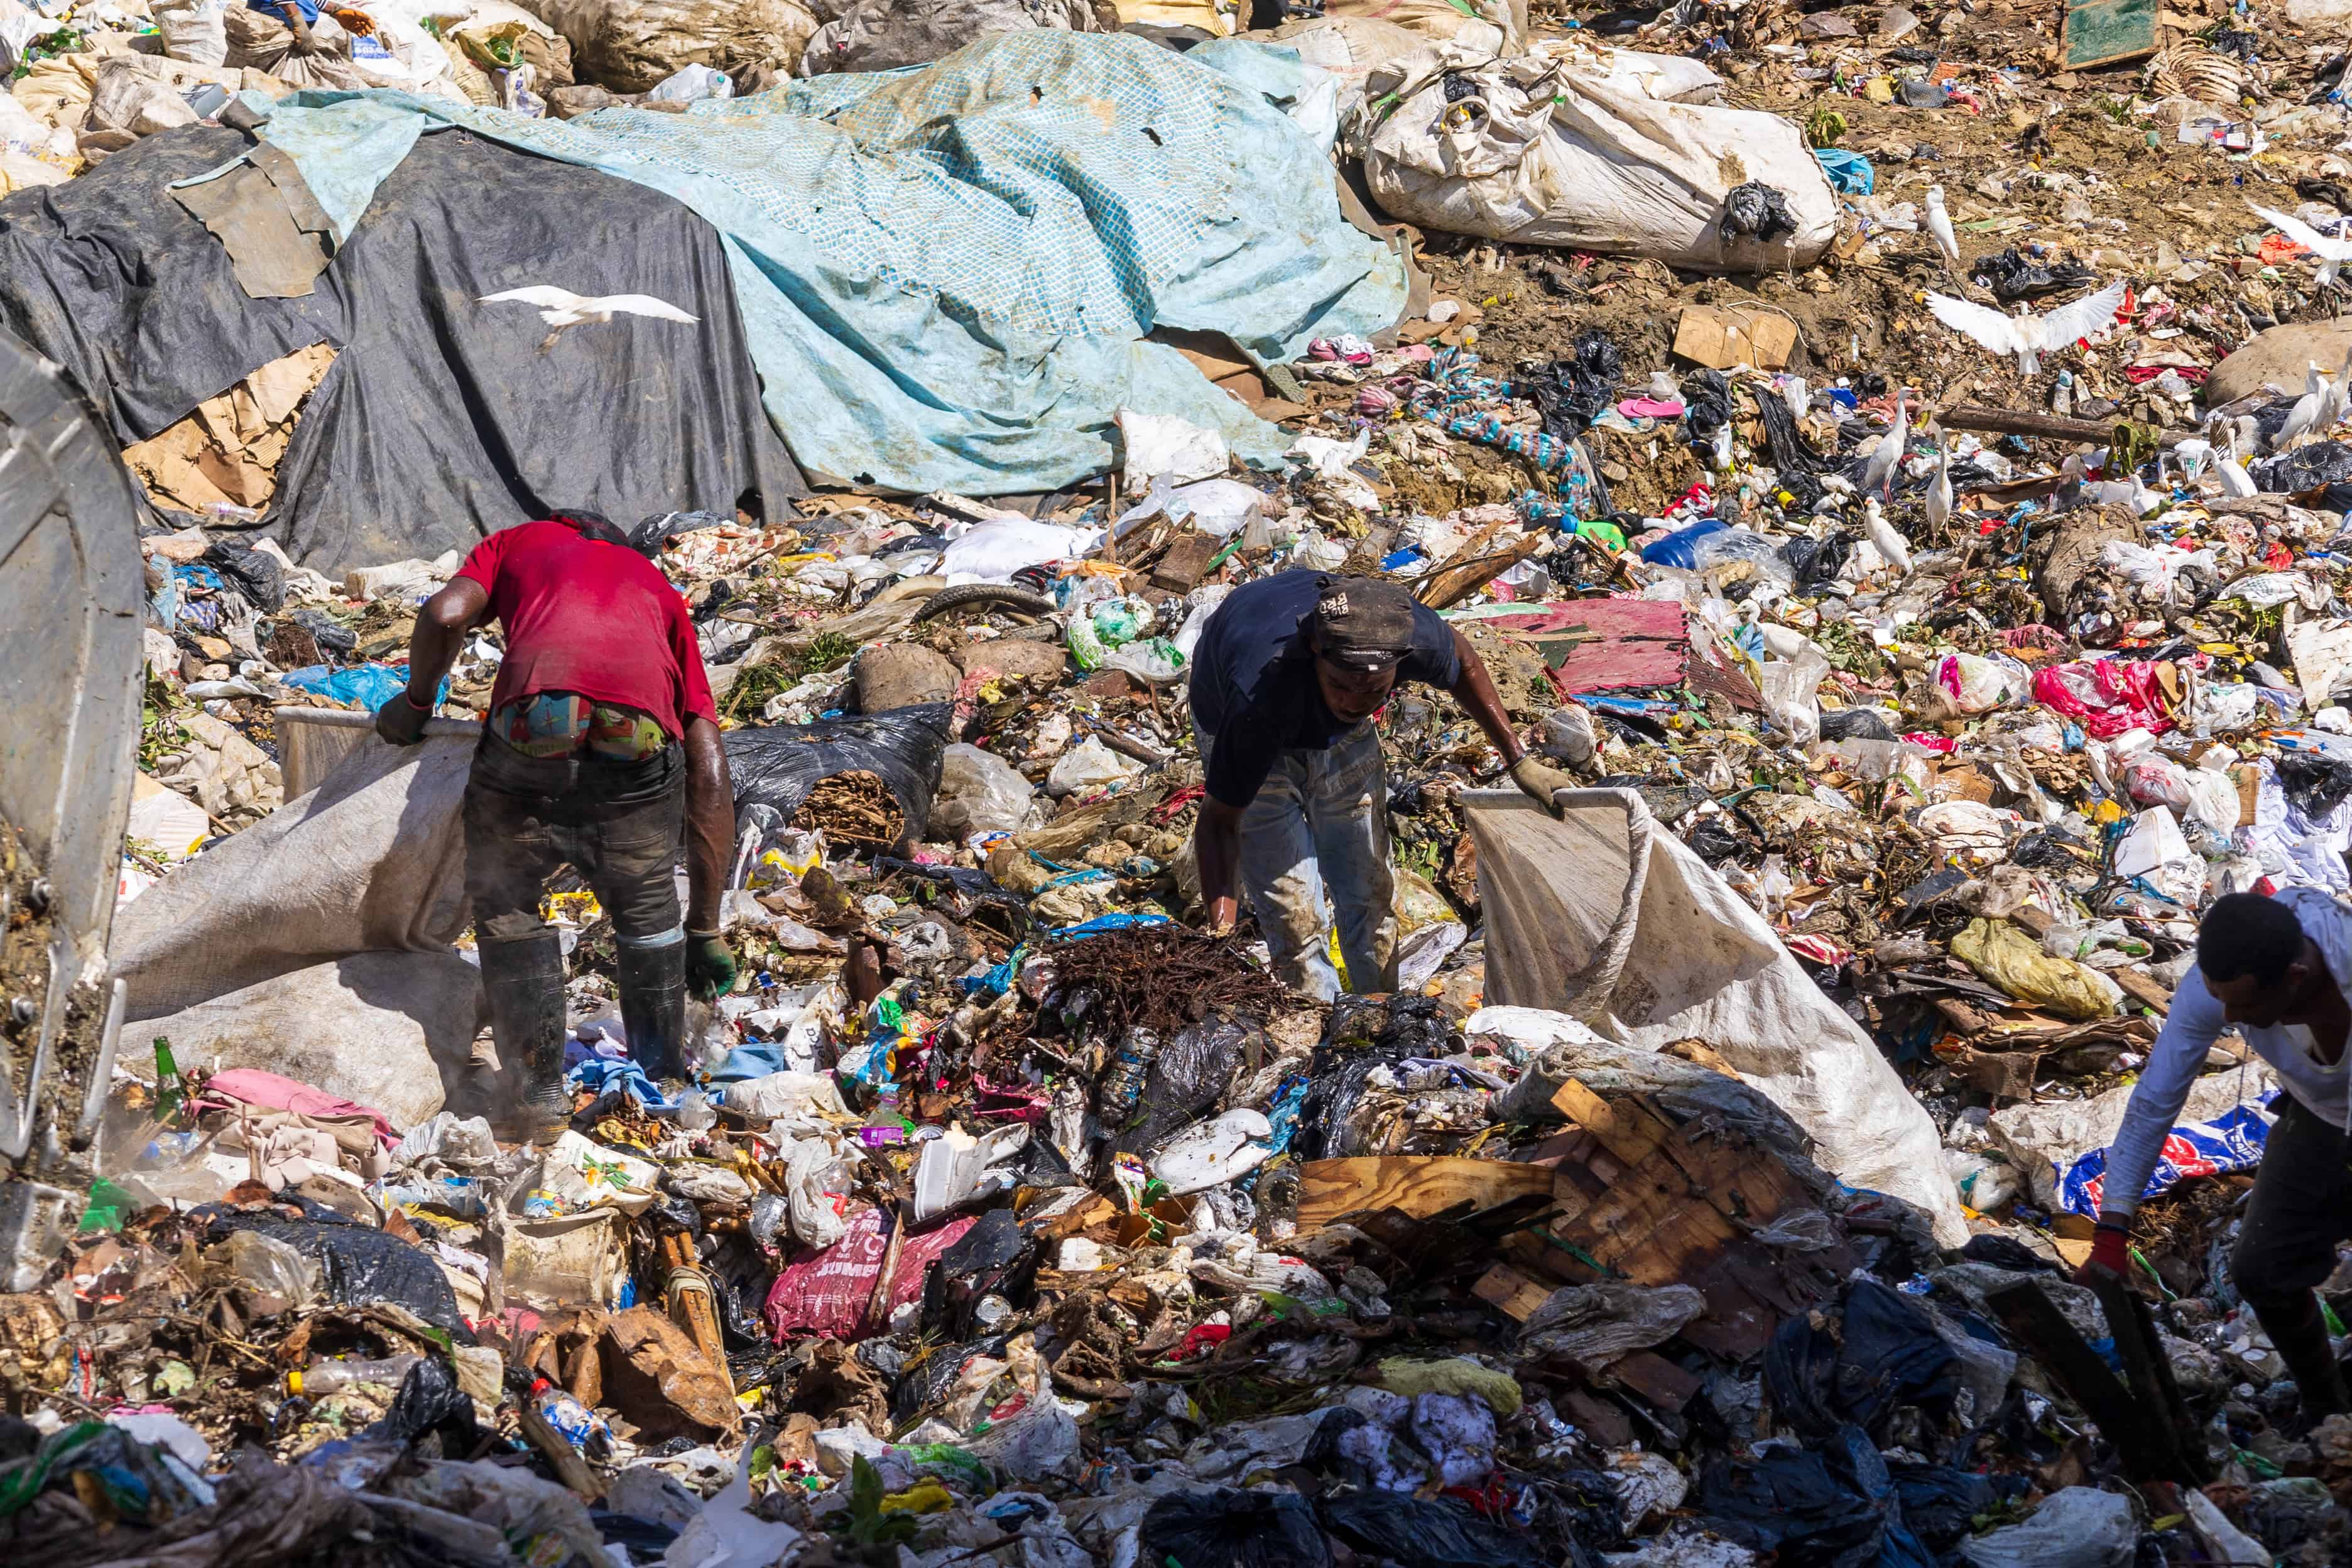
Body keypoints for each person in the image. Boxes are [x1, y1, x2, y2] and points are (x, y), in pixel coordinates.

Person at [376, 512, 738, 1141]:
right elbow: (708, 763)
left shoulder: (517, 541)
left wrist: (415, 703)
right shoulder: (656, 587)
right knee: (646, 900)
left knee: (509, 902)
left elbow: (444, 615)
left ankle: (538, 1094)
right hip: (636, 738)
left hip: (534, 722)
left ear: (563, 524)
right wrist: (704, 925)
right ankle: (663, 1082)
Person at [1188, 570, 1576, 1001]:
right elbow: (1220, 822)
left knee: (1370, 887)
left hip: (1334, 729)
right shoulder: (1257, 700)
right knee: (1294, 917)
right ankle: (1322, 1031)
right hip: (1240, 711)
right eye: (1340, 684)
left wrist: (1518, 760)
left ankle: (1379, 1008)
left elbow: (1464, 663)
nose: (1354, 700)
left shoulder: (1410, 636)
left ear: (1400, 663)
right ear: (1316, 650)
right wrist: (1220, 931)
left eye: (1374, 689)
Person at [2081, 888, 2352, 1420]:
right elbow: (2155, 1100)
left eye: (2244, 1008)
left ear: (2296, 978)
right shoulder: (2223, 985)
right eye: (2219, 998)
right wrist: (2112, 1231)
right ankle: (2328, 1411)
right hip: (2318, 1116)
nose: (2226, 1015)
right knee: (2262, 1270)